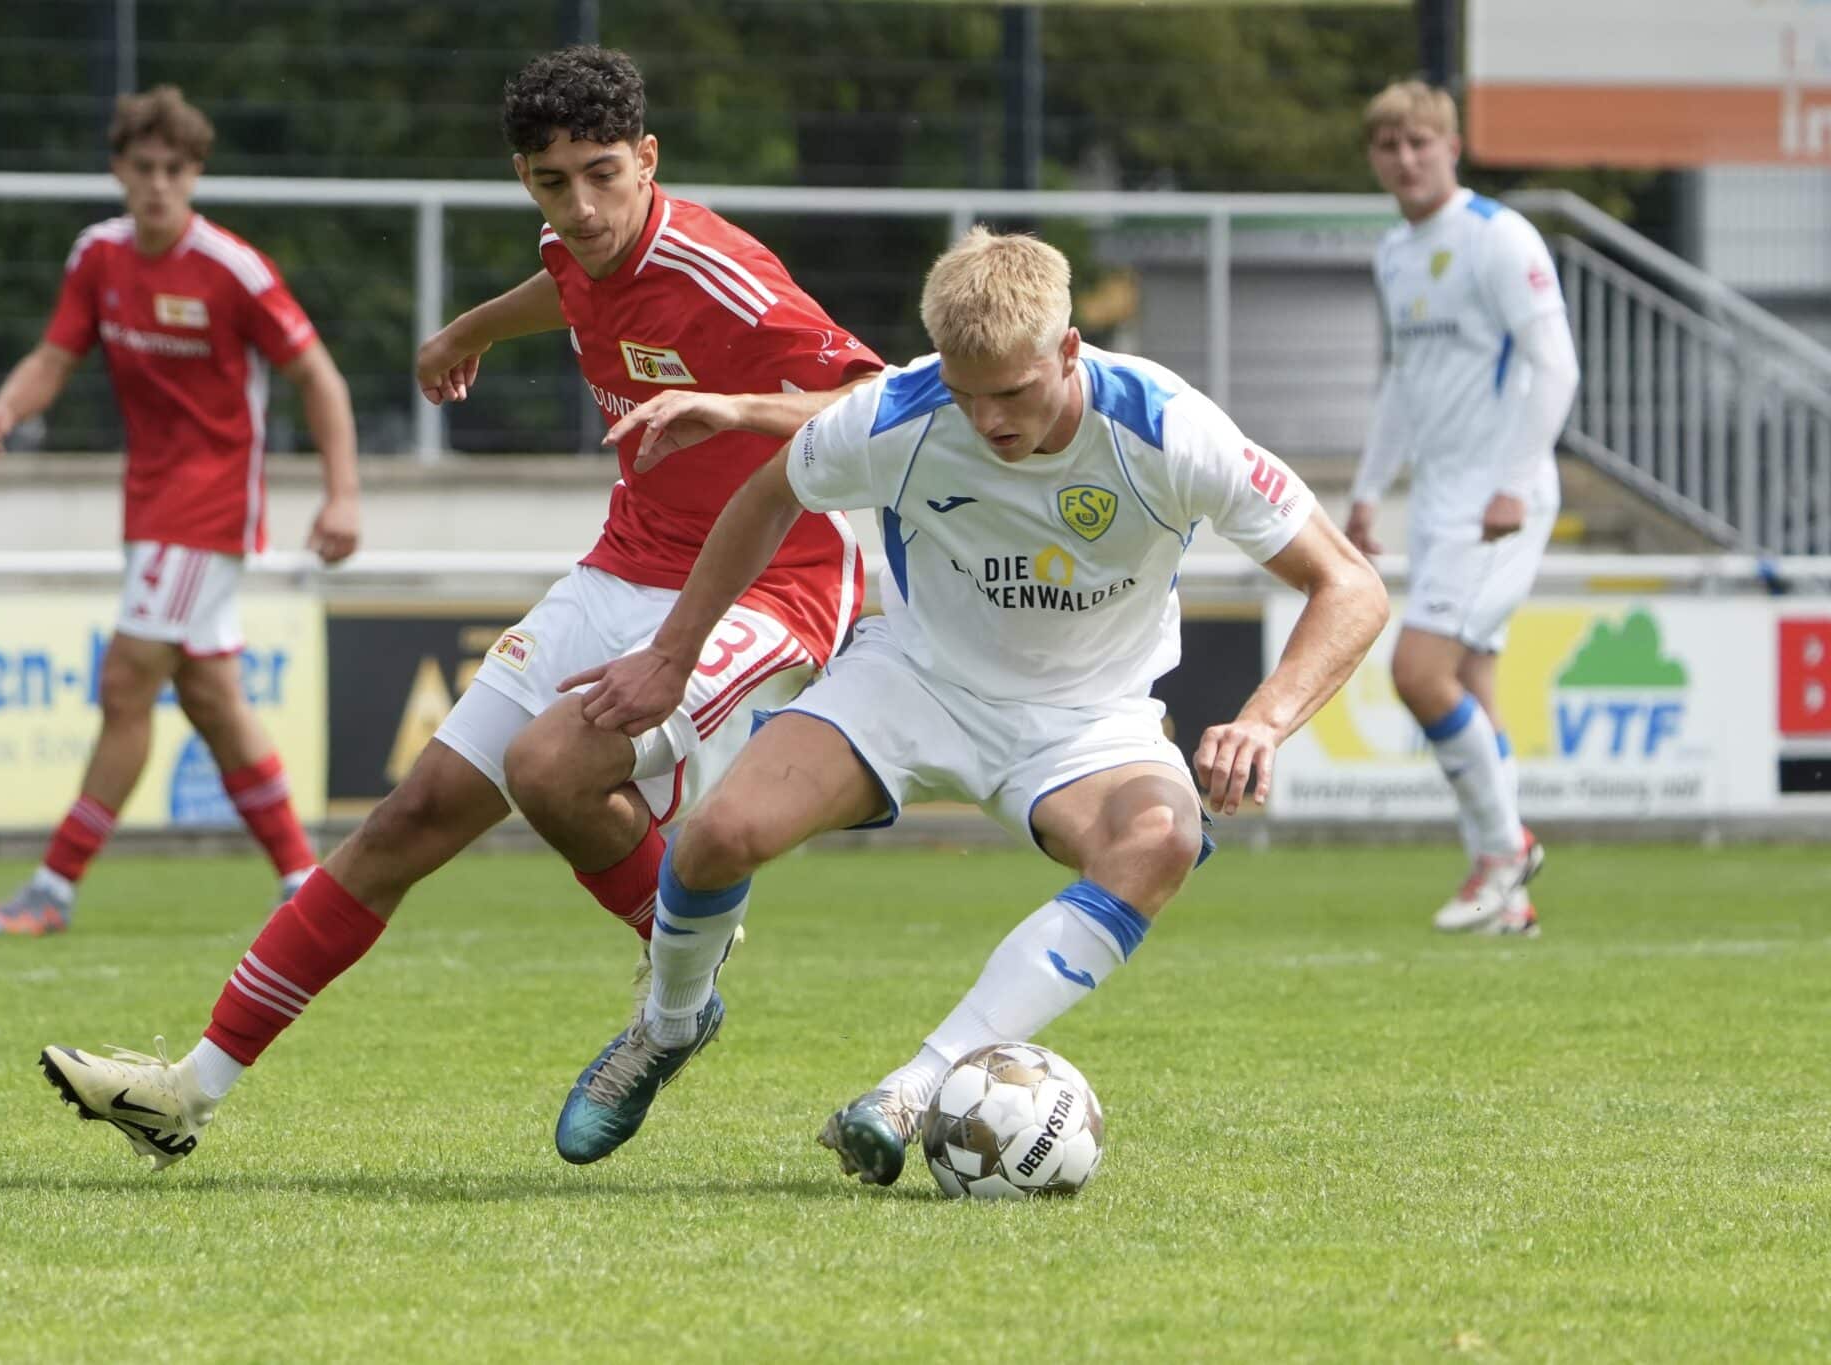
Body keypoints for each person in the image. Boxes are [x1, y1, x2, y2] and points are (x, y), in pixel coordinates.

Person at [33, 46, 882, 1168]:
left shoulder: (721, 270)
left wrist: (728, 405)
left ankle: (677, 995)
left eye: (604, 175)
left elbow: (879, 394)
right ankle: (185, 1094)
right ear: (525, 178)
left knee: (550, 767)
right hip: (624, 563)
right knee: (410, 817)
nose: (581, 207)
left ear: (648, 159)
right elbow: (566, 282)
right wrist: (470, 330)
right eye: (552, 183)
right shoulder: (572, 242)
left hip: (769, 581)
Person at [548, 227, 1389, 1181]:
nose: (988, 420)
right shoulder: (899, 413)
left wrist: (1265, 718)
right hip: (914, 681)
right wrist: (672, 655)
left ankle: (914, 1088)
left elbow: (1350, 585)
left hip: (1086, 718)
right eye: (965, 392)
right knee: (718, 836)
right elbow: (768, 495)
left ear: (1069, 350)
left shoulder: (1169, 429)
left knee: (1161, 836)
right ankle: (669, 1024)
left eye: (1014, 393)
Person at [0, 85, 360, 936]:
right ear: (118, 169)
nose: (158, 185)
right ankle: (305, 880)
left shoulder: (232, 269)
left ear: (196, 174)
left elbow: (319, 376)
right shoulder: (97, 256)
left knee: (125, 681)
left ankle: (53, 887)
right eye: (143, 168)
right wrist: (4, 409)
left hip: (207, 506)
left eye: (175, 170)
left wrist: (344, 494)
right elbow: (54, 356)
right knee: (212, 697)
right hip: (149, 505)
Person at [1351, 80, 1579, 937]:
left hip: (1496, 501)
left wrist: (1513, 481)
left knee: (1417, 672)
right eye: (1389, 146)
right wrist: (1368, 489)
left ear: (1452, 147)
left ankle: (1503, 849)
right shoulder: (1394, 252)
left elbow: (1556, 365)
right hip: (1442, 500)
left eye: (1420, 143)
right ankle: (1511, 902)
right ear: (1375, 159)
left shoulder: (1498, 236)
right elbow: (1403, 382)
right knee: (1473, 685)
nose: (1406, 159)